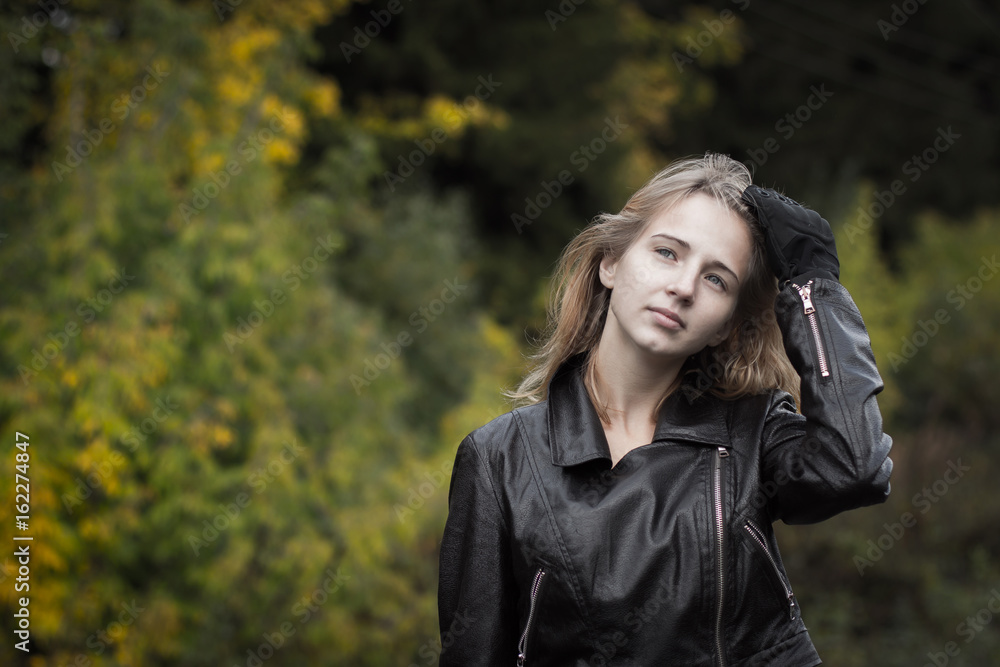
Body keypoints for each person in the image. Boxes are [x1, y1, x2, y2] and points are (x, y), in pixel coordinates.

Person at [437, 152, 893, 666]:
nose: (683, 287)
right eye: (667, 252)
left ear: (725, 324)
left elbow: (854, 467)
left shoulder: (752, 430)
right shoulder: (499, 459)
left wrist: (814, 288)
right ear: (611, 262)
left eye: (716, 279)